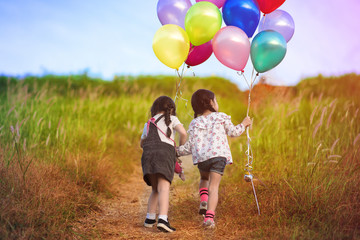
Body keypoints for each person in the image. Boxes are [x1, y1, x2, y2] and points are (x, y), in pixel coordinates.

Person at [177, 89, 252, 229]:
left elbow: (189, 146)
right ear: (211, 103)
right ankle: (209, 218)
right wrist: (244, 123)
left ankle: (203, 201)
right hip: (218, 157)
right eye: (215, 100)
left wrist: (176, 151)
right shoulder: (221, 117)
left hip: (202, 158)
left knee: (204, 179)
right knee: (214, 187)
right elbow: (234, 132)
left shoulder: (194, 123)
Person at [140, 96, 187, 233]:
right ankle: (163, 219)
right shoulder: (172, 119)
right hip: (164, 154)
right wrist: (179, 149)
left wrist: (150, 147)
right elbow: (183, 133)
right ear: (171, 109)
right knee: (164, 187)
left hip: (148, 155)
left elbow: (142, 142)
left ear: (154, 108)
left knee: (155, 189)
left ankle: (149, 218)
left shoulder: (149, 122)